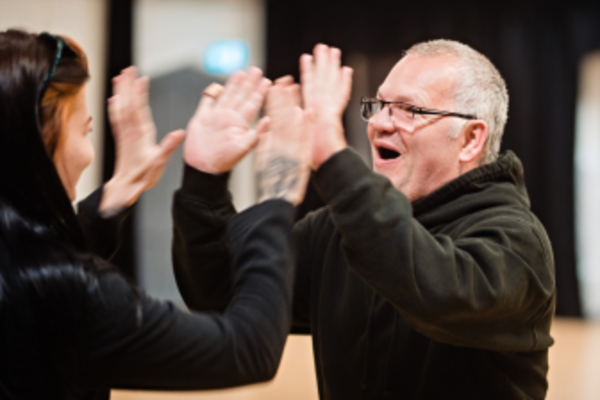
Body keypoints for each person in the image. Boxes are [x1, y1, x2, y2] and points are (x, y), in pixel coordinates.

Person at [172, 40, 556, 399]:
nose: (380, 124)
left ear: (471, 139)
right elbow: (221, 293)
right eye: (381, 105)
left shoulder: (517, 241)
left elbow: (438, 292)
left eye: (410, 110)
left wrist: (334, 161)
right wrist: (204, 182)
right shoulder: (337, 229)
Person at [0, 29, 312, 399]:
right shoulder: (72, 294)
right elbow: (246, 348)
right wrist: (278, 193)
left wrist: (120, 189)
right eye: (84, 131)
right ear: (42, 138)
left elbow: (27, 260)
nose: (89, 153)